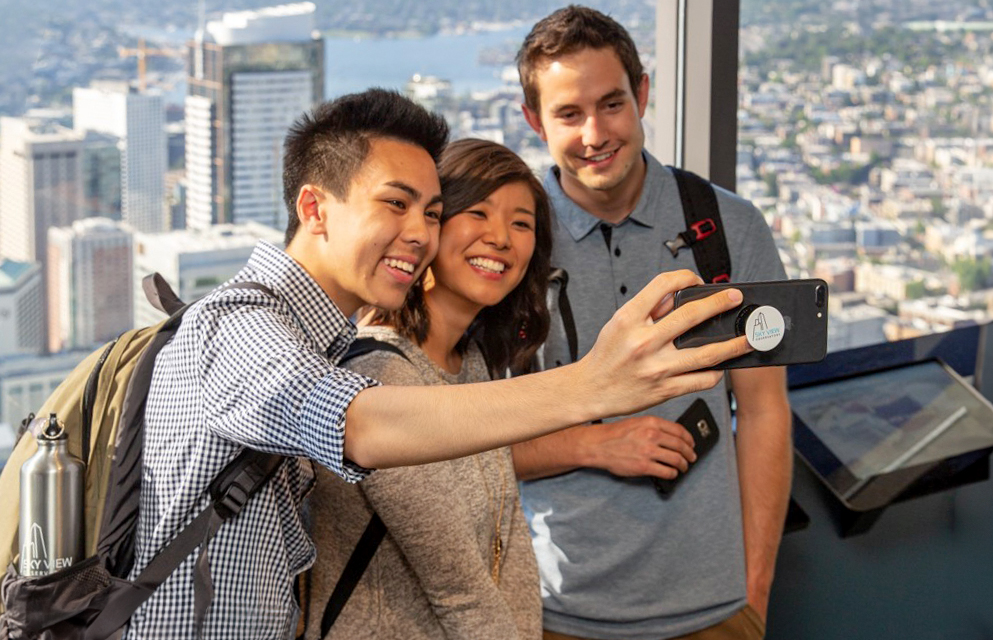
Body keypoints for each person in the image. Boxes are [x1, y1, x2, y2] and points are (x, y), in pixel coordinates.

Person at [125, 88, 751, 639]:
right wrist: (592, 385)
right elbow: (357, 424)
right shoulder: (236, 326)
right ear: (315, 209)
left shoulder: (332, 342)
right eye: (395, 204)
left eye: (430, 211)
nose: (420, 233)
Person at [512, 6, 792, 640]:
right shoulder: (510, 243)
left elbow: (764, 412)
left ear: (642, 95)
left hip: (717, 609)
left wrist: (754, 588)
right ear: (534, 121)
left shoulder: (728, 227)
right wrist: (596, 444)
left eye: (611, 104)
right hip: (555, 612)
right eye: (568, 114)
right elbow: (469, 443)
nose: (594, 133)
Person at [306, 139, 551, 640]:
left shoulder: (471, 361)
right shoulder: (382, 374)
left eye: (521, 223)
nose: (501, 238)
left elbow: (508, 544)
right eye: (478, 213)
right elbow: (458, 588)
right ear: (431, 228)